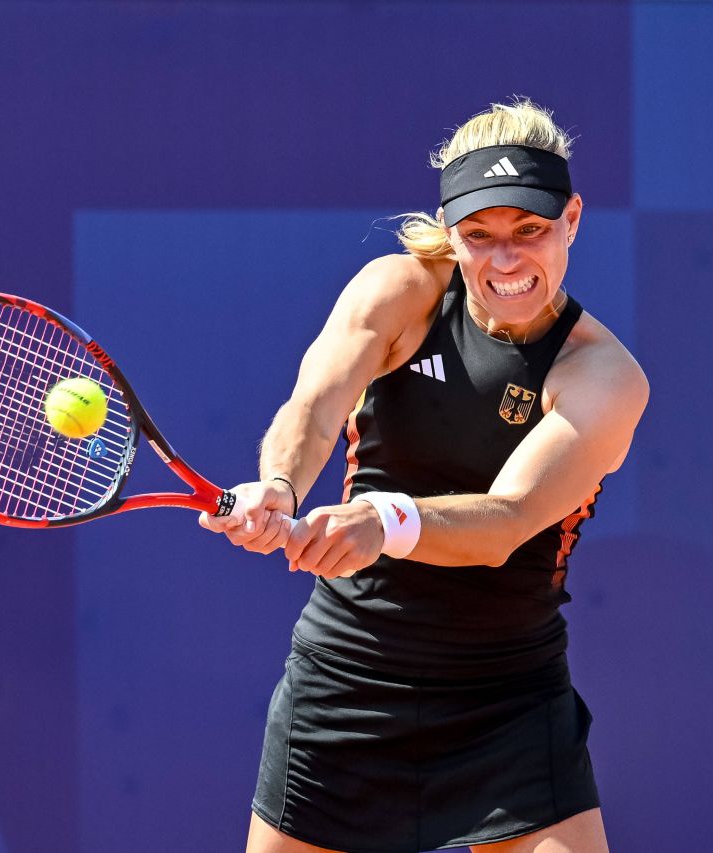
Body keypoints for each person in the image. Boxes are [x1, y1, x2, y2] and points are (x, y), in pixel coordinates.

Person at [201, 98, 648, 853]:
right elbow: (312, 409)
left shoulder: (603, 375)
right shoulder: (398, 292)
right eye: (478, 237)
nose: (505, 260)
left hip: (507, 697)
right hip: (348, 680)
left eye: (530, 231)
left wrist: (383, 520)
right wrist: (278, 485)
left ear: (572, 218)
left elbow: (507, 520)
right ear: (449, 230)